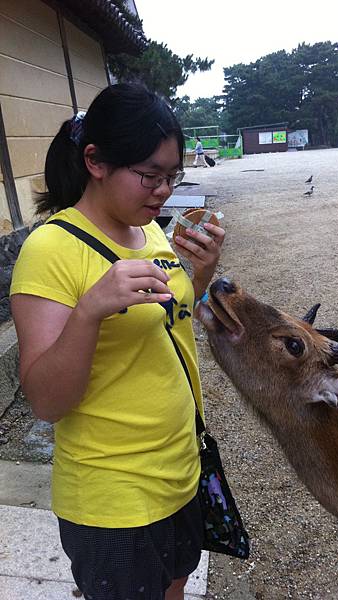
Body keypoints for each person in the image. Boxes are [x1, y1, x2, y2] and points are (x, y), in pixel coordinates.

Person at [10, 83, 225, 600]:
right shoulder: (49, 251)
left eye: (172, 176)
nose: (163, 192)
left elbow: (168, 324)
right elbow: (46, 401)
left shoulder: (148, 231)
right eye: (149, 176)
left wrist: (198, 276)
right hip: (112, 496)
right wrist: (89, 311)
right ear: (95, 161)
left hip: (179, 469)